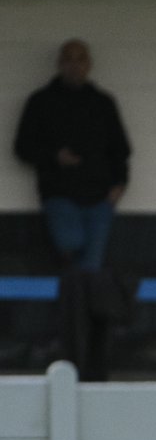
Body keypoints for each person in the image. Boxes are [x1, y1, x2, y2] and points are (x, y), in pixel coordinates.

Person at [14, 38, 132, 271]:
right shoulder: (41, 102)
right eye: (69, 59)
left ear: (89, 64)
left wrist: (120, 184)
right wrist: (54, 156)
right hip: (59, 194)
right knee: (70, 242)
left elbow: (120, 149)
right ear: (59, 63)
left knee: (91, 269)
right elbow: (22, 147)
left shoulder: (102, 103)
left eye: (80, 59)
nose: (74, 65)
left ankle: (84, 306)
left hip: (100, 198)